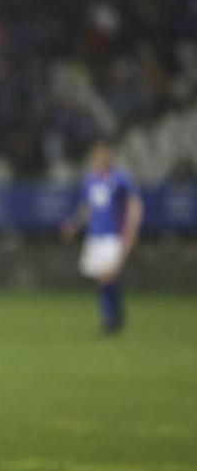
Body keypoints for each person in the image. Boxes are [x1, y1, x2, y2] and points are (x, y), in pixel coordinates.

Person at [61, 140, 144, 334]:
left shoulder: (120, 179)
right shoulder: (90, 180)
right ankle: (111, 317)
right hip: (95, 234)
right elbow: (87, 208)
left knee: (107, 276)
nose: (97, 162)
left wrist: (131, 230)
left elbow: (134, 205)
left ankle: (114, 319)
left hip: (113, 234)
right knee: (101, 278)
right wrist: (73, 225)